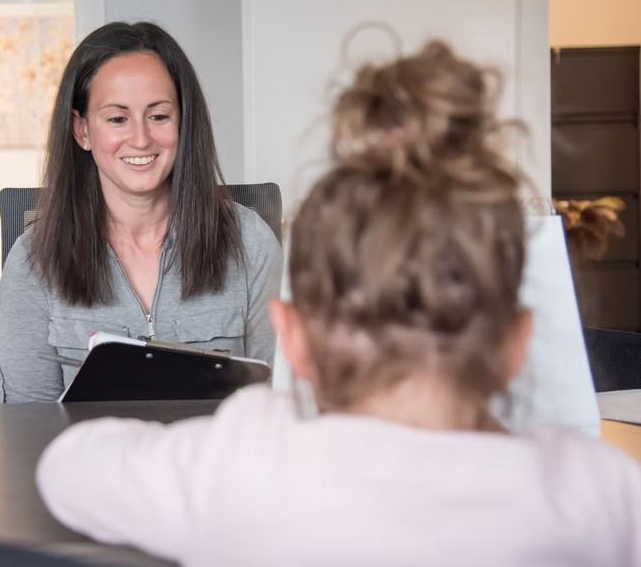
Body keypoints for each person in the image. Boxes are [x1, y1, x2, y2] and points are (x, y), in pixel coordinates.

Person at [36, 41, 641, 566]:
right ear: (518, 342)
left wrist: (260, 425)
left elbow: (67, 466)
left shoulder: (245, 463)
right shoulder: (597, 492)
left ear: (293, 338)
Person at [0, 21, 283, 403]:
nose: (141, 138)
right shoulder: (33, 260)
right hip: (90, 463)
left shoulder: (251, 243)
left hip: (215, 461)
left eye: (159, 116)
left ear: (183, 122)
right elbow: (24, 431)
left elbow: (280, 404)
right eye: (117, 119)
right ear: (81, 130)